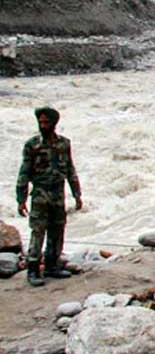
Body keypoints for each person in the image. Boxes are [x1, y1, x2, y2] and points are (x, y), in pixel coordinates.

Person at [16, 107, 83, 287]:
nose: (43, 125)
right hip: (40, 193)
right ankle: (33, 269)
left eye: (46, 122)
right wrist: (21, 199)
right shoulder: (32, 145)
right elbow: (24, 172)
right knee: (38, 231)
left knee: (58, 228)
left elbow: (70, 169)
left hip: (58, 192)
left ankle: (52, 265)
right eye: (40, 122)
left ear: (54, 123)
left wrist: (77, 194)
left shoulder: (64, 144)